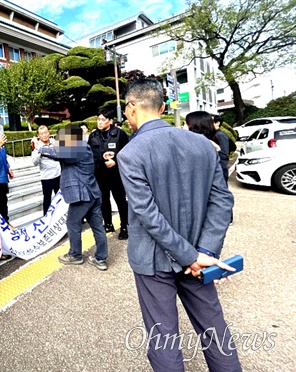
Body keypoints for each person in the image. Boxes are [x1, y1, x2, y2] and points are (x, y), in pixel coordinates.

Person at [117, 78, 241, 371]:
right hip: (201, 255)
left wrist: (189, 256)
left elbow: (147, 214)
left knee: (163, 337)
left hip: (154, 260)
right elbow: (223, 202)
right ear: (161, 107)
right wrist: (203, 251)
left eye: (126, 110)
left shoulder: (130, 153)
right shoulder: (202, 144)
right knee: (214, 328)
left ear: (132, 107)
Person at [39, 125, 109, 270]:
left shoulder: (77, 149)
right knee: (97, 227)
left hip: (82, 195)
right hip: (93, 193)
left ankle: (75, 255)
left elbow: (54, 153)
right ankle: (100, 258)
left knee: (72, 223)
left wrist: (40, 147)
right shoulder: (84, 147)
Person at [88, 107, 129, 240]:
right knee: (104, 201)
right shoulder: (93, 136)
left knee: (120, 201)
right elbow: (90, 155)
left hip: (116, 175)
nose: (99, 122)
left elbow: (128, 152)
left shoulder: (120, 134)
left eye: (103, 120)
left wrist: (115, 160)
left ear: (110, 121)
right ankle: (108, 224)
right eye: (98, 119)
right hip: (100, 174)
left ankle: (124, 227)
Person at [31, 125, 61, 215]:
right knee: (47, 199)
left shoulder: (54, 142)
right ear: (38, 135)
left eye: (46, 133)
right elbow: (35, 162)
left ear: (49, 133)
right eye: (41, 134)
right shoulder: (37, 146)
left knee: (60, 198)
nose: (44, 135)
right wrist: (39, 151)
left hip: (58, 174)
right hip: (47, 177)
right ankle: (46, 219)